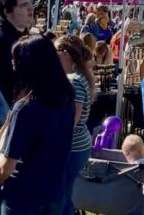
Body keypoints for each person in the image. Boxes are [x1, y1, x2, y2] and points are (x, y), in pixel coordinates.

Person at [0, 36, 75, 214]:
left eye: (15, 62)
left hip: (23, 196)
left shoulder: (25, 108)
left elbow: (7, 165)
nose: (13, 66)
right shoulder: (67, 99)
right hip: (54, 190)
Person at [54, 35, 96, 215]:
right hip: (78, 145)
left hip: (72, 147)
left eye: (55, 51)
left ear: (65, 54)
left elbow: (72, 120)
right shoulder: (77, 77)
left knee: (63, 199)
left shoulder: (74, 81)